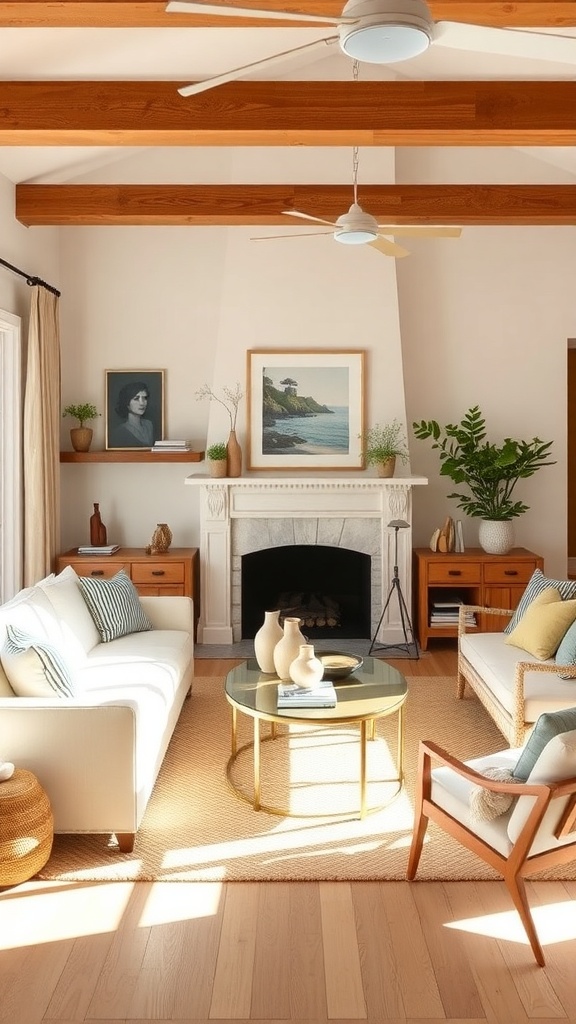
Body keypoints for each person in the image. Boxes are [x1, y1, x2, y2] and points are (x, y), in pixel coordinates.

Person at [109, 381, 156, 447]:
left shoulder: (149, 425)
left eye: (144, 398)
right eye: (136, 399)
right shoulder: (120, 431)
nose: (142, 403)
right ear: (126, 402)